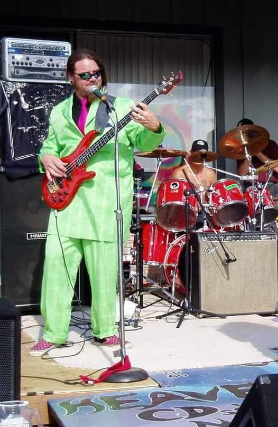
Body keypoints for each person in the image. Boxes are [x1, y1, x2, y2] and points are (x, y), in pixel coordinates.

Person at [31, 48, 165, 356]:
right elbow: (51, 146)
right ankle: (53, 333)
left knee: (104, 271)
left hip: (106, 202)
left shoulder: (121, 107)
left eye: (97, 73)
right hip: (66, 201)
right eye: (85, 75)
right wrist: (46, 157)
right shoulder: (59, 111)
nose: (92, 79)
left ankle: (105, 331)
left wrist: (154, 127)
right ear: (71, 78)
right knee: (56, 267)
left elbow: (143, 142)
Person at [171, 139, 217, 229]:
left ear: (206, 156)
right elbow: (173, 199)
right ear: (190, 153)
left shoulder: (211, 174)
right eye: (196, 151)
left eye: (202, 153)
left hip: (204, 215)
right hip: (184, 214)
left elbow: (214, 198)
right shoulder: (180, 172)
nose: (198, 155)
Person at [236, 118, 278, 198]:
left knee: (268, 206)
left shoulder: (270, 144)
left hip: (268, 186)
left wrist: (257, 152)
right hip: (250, 187)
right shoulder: (241, 149)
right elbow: (241, 174)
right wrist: (248, 157)